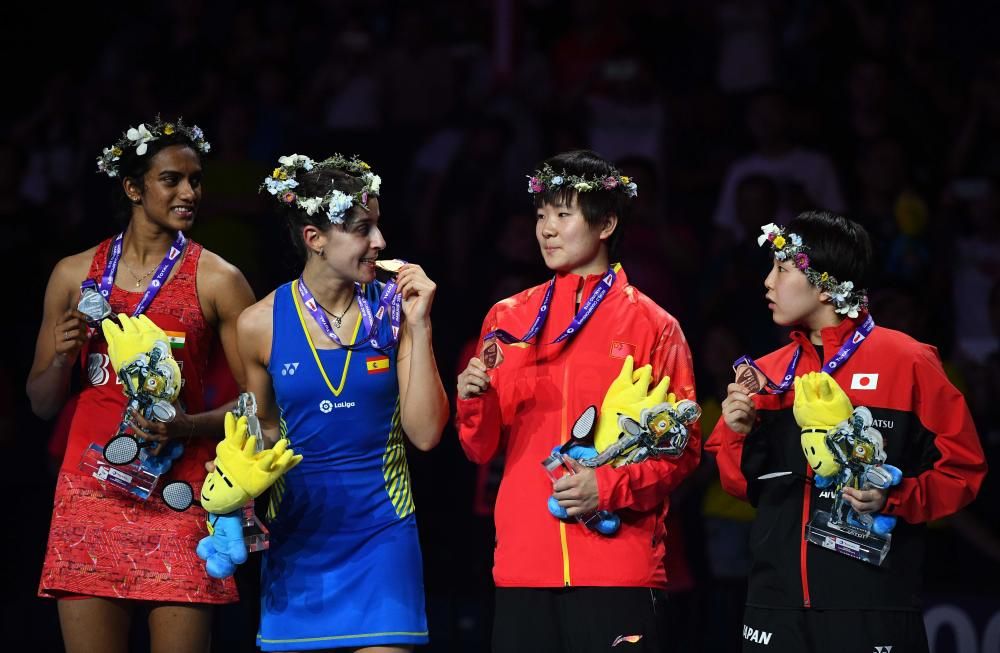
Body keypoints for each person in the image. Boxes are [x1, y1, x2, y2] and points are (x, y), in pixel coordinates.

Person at [706, 210, 988, 652]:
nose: (767, 282)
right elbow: (740, 486)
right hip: (773, 606)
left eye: (781, 269)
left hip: (873, 605)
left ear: (822, 285)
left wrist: (893, 499)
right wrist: (738, 430)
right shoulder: (765, 375)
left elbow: (963, 470)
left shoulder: (908, 362)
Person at [456, 149, 699, 652]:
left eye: (563, 215)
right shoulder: (508, 318)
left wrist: (606, 486)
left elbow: (682, 448)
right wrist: (472, 401)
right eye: (541, 215)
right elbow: (480, 450)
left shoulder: (654, 326)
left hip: (618, 567)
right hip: (523, 566)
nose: (546, 228)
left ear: (606, 222)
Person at [29, 117, 256, 650]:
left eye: (196, 180)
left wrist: (188, 424)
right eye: (171, 180)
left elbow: (260, 406)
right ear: (133, 187)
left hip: (179, 499)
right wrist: (62, 357)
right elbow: (40, 404)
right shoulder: (73, 275)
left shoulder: (218, 278)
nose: (189, 193)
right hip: (90, 494)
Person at [239, 153, 449, 651]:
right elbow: (261, 429)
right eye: (362, 229)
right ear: (315, 238)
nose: (380, 242)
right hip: (298, 541)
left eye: (377, 226)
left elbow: (426, 433)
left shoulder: (396, 308)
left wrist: (420, 326)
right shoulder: (258, 325)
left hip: (383, 534)